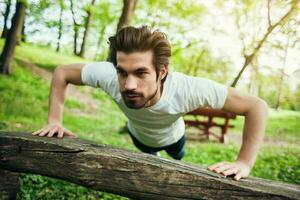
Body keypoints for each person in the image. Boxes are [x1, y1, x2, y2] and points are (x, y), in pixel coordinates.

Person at [32, 26, 268, 181]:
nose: (129, 85)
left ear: (161, 72)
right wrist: (54, 120)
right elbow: (62, 72)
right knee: (149, 154)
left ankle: (174, 158)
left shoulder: (188, 89)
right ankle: (153, 155)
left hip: (175, 137)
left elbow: (256, 106)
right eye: (122, 72)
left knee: (177, 157)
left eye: (141, 73)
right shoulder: (107, 75)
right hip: (140, 136)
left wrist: (244, 162)